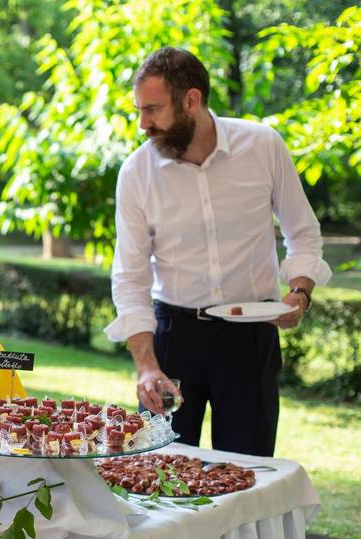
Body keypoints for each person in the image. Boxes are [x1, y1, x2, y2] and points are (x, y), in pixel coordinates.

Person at [106, 47, 331, 456]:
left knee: (248, 473)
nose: (143, 124)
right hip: (174, 339)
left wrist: (300, 292)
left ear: (191, 101)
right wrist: (146, 365)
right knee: (160, 471)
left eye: (153, 110)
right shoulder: (137, 173)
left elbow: (303, 230)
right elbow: (129, 275)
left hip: (250, 339)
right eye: (140, 110)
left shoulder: (262, 146)